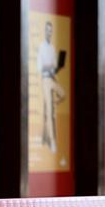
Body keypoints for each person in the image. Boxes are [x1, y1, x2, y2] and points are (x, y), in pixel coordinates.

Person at [37, 20, 65, 152]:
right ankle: (52, 141)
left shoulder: (53, 48)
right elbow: (40, 67)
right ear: (45, 31)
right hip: (44, 80)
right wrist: (50, 66)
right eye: (47, 30)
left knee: (63, 94)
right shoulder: (41, 47)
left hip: (52, 78)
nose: (49, 32)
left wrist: (57, 68)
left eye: (51, 30)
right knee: (48, 111)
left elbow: (54, 68)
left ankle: (53, 102)